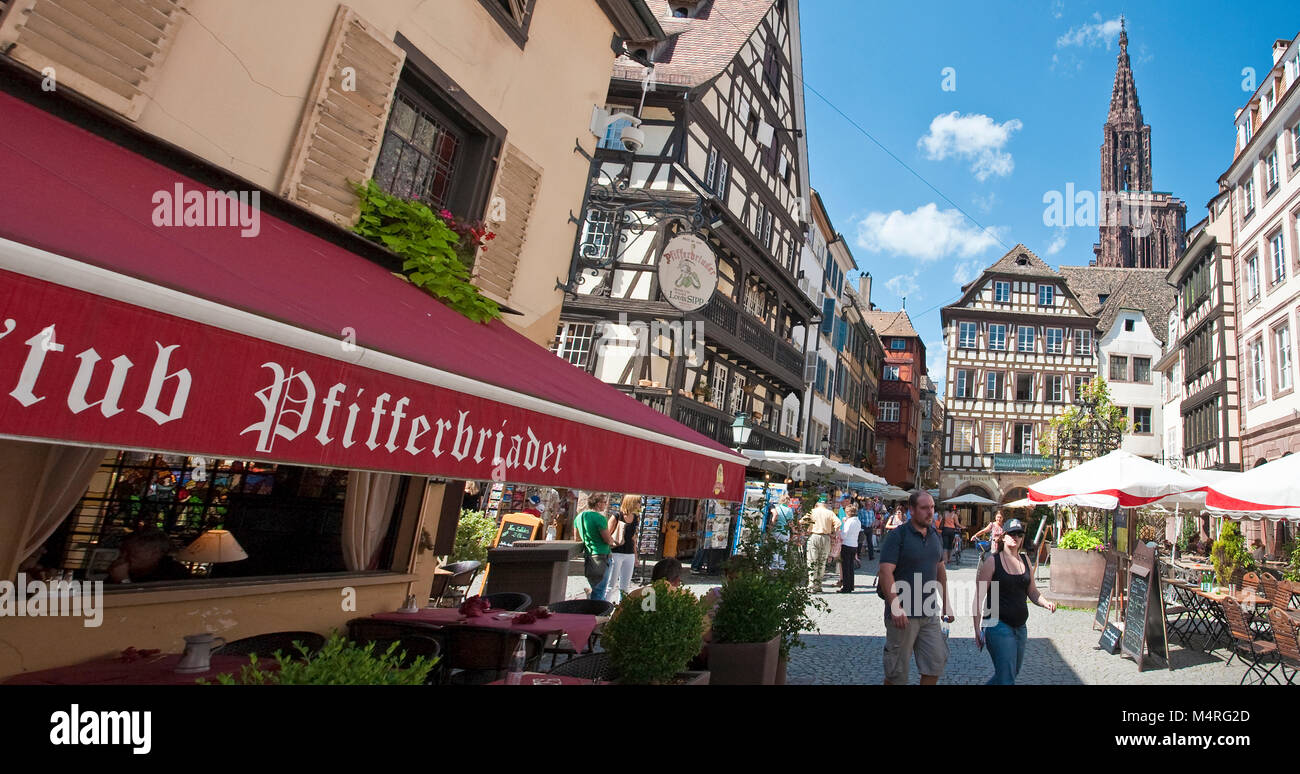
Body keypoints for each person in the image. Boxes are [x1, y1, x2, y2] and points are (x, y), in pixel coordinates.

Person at [877, 490, 953, 685]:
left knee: (935, 664)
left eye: (932, 508)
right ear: (911, 510)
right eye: (924, 508)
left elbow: (940, 569)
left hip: (929, 613)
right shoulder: (898, 536)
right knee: (896, 673)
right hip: (902, 616)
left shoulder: (935, 535)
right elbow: (886, 572)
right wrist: (895, 606)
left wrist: (946, 604)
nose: (930, 512)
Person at [973, 518, 1056, 684]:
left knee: (1010, 674)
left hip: (1020, 628)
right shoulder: (992, 562)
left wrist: (1045, 602)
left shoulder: (1025, 561)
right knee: (1006, 677)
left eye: (1019, 534)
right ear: (1003, 536)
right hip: (997, 625)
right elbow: (978, 598)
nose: (1015, 537)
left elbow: (1032, 591)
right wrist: (977, 629)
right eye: (1011, 533)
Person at [107, 530, 191, 584]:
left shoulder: (174, 573)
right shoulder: (132, 570)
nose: (124, 557)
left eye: (132, 553)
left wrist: (123, 580)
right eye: (123, 552)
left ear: (154, 553)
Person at [574, 492, 614, 601]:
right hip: (601, 556)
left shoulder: (579, 517)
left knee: (594, 587)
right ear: (597, 503)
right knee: (600, 591)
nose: (605, 505)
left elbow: (577, 538)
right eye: (604, 502)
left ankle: (590, 604)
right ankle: (595, 615)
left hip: (588, 556)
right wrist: (613, 540)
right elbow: (608, 540)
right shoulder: (599, 518)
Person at [606, 494, 641, 604]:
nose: (640, 504)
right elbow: (607, 535)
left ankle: (621, 609)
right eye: (638, 502)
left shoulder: (636, 518)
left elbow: (634, 539)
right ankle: (605, 607)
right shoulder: (617, 516)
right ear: (632, 502)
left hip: (629, 554)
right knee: (611, 584)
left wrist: (635, 557)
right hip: (616, 552)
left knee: (625, 586)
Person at [802, 496, 840, 593]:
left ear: (817, 504)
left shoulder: (812, 512)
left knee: (812, 561)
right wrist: (834, 533)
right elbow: (838, 523)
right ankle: (818, 584)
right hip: (826, 538)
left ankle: (811, 585)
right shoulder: (830, 513)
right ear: (826, 504)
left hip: (814, 536)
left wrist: (807, 529)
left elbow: (801, 521)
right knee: (822, 562)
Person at [839, 504, 861, 593]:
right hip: (854, 544)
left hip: (847, 544)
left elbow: (844, 534)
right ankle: (851, 585)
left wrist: (839, 532)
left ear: (848, 512)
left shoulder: (849, 521)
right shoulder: (858, 521)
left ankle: (846, 587)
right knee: (851, 567)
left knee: (845, 567)